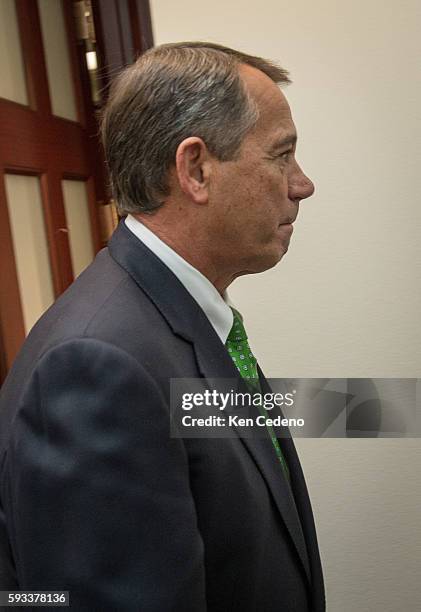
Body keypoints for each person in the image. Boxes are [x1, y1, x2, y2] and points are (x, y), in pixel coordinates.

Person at [0, 42, 325, 611]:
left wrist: (381, 409)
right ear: (195, 169)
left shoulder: (177, 315)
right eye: (281, 156)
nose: (302, 184)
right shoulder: (96, 365)